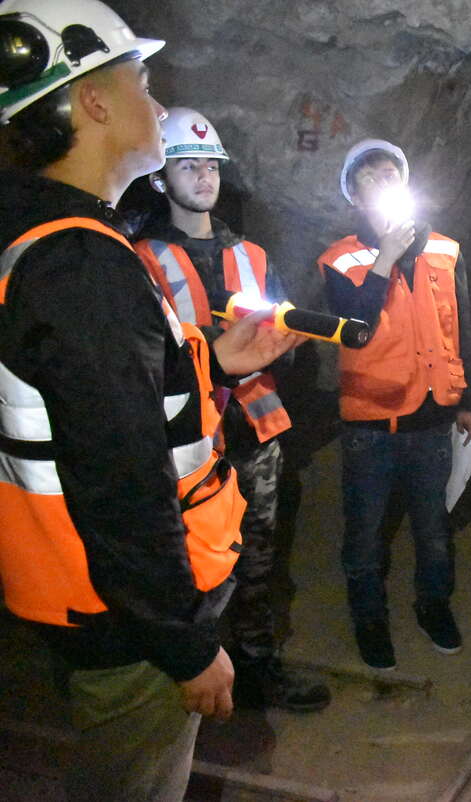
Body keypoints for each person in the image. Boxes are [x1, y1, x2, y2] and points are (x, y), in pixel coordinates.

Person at [0, 2, 299, 800]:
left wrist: (217, 364)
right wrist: (185, 645)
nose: (158, 105)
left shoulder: (41, 236)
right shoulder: (81, 265)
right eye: (141, 79)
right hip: (126, 623)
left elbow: (99, 406)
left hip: (77, 596)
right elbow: (120, 480)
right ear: (92, 101)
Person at [135, 107, 330, 713]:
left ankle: (255, 669)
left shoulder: (252, 254)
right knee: (189, 561)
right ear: (162, 178)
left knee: (260, 558)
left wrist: (285, 348)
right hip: (186, 443)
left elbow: (275, 336)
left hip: (254, 430)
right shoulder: (139, 257)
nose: (204, 176)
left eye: (210, 165)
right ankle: (191, 671)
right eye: (188, 165)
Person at [318, 138, 471, 666]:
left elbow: (464, 328)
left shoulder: (446, 250)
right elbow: (354, 329)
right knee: (365, 537)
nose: (384, 184)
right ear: (354, 198)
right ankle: (370, 621)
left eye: (391, 174)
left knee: (433, 532)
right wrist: (385, 260)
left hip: (432, 422)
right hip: (372, 427)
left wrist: (466, 401)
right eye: (370, 180)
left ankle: (434, 606)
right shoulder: (341, 259)